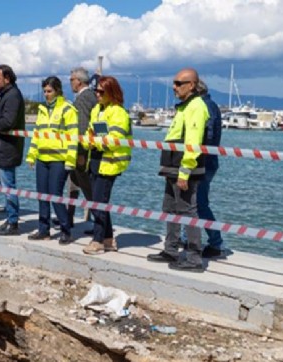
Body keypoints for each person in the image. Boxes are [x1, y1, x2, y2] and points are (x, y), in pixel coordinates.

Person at [147, 68, 208, 272]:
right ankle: (171, 249)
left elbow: (193, 141)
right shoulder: (184, 106)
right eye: (174, 83)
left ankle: (194, 257)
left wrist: (185, 171)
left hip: (183, 169)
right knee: (170, 209)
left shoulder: (196, 107)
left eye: (178, 83)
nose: (174, 87)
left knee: (187, 212)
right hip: (172, 167)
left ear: (191, 85)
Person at [80, 76, 132, 255]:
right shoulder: (97, 110)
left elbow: (114, 140)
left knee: (98, 203)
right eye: (96, 91)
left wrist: (96, 142)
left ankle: (98, 240)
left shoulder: (119, 113)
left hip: (109, 162)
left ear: (111, 92)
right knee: (97, 201)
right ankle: (108, 239)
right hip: (94, 160)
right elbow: (89, 133)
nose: (97, 94)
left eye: (101, 91)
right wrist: (90, 142)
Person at [26, 76, 78, 244]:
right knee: (42, 195)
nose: (46, 94)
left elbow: (73, 137)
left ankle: (65, 230)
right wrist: (31, 155)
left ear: (58, 91)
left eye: (49, 91)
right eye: (45, 91)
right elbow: (37, 135)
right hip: (42, 158)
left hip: (59, 159)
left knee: (55, 194)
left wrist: (70, 160)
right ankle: (44, 230)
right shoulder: (42, 110)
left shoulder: (67, 109)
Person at [0, 65, 26, 236]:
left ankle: (13, 222)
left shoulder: (13, 96)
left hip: (6, 150)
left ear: (7, 78)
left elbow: (8, 122)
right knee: (6, 188)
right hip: (0, 149)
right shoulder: (5, 95)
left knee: (9, 188)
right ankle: (10, 219)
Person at [196, 79, 225, 258]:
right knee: (194, 203)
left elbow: (208, 135)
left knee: (199, 204)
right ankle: (189, 238)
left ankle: (216, 242)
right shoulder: (209, 105)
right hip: (207, 161)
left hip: (204, 162)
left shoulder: (205, 106)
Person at [67, 67, 97, 231]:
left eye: (71, 80)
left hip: (82, 152)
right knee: (73, 184)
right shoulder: (87, 96)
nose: (70, 83)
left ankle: (99, 223)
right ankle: (69, 216)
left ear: (78, 81)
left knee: (87, 188)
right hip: (79, 150)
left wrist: (80, 152)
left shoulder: (85, 98)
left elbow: (82, 126)